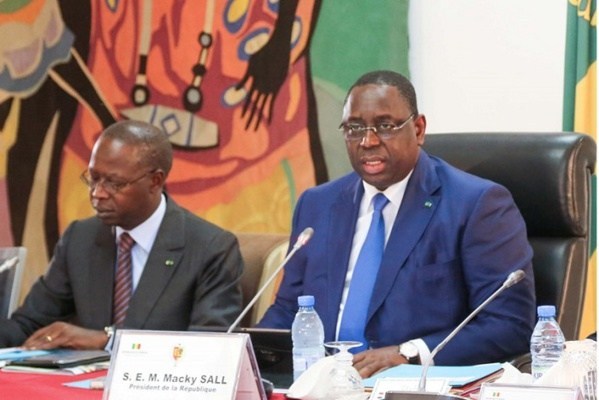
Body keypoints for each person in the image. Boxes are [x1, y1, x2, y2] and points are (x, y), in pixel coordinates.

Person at [258, 70, 536, 378]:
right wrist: (242, 353)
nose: (368, 141)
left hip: (414, 388)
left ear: (418, 129)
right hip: (322, 384)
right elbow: (288, 311)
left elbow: (509, 324)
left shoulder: (477, 205)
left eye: (385, 126)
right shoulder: (318, 204)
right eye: (354, 128)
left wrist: (410, 353)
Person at [0, 120, 244, 349]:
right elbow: (28, 325)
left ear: (155, 181)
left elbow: (209, 347)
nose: (97, 193)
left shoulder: (210, 248)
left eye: (114, 184)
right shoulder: (79, 239)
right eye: (93, 178)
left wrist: (107, 340)